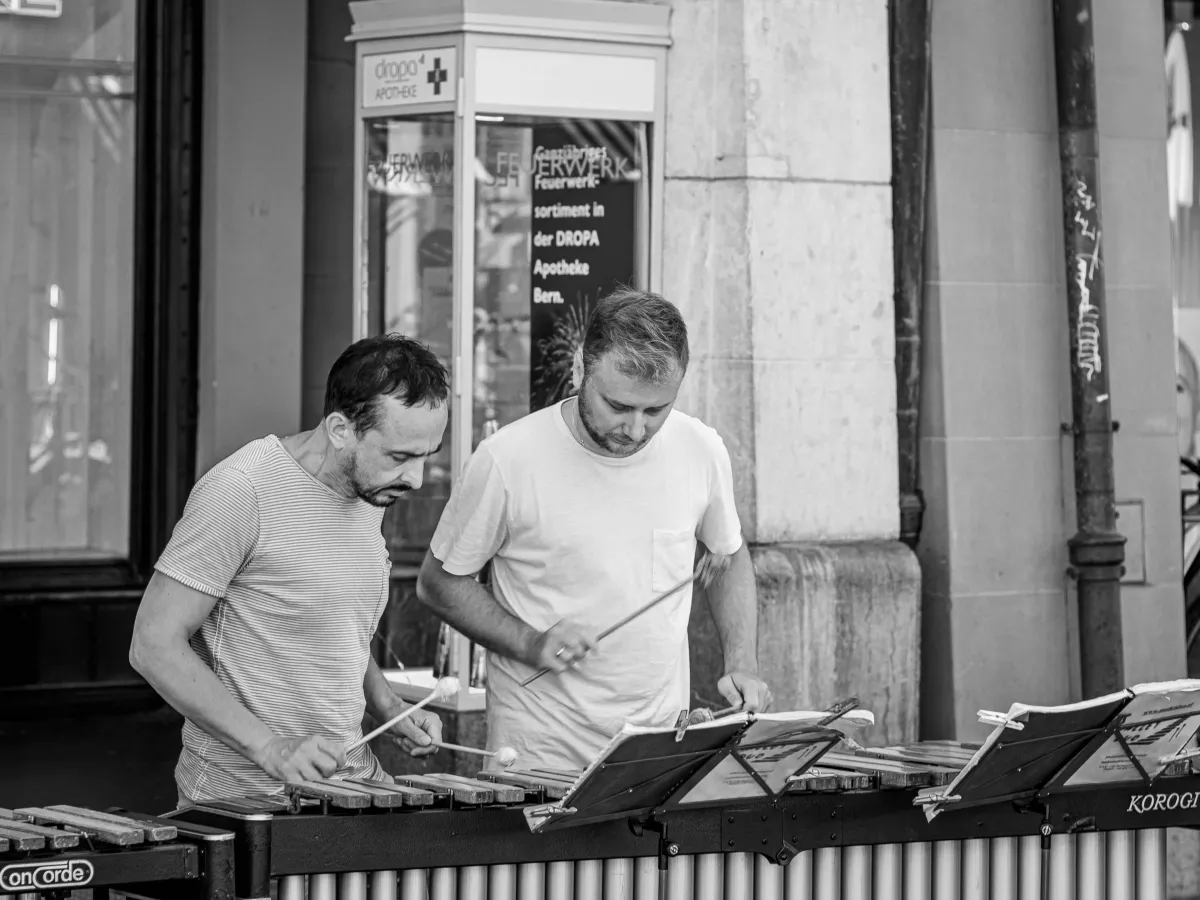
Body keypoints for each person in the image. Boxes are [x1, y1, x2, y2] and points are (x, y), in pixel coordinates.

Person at [416, 288, 771, 772]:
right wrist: (529, 642)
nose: (636, 430)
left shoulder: (700, 448)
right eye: (618, 406)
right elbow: (438, 583)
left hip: (658, 752)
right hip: (538, 756)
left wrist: (742, 663)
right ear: (581, 367)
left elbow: (727, 556)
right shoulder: (507, 459)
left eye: (656, 411)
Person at [130, 335, 449, 805]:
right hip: (245, 802)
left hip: (351, 789)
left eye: (426, 456)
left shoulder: (369, 491)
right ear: (340, 429)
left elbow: (330, 623)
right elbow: (153, 645)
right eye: (400, 457)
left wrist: (387, 705)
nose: (416, 479)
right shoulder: (242, 491)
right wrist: (270, 748)